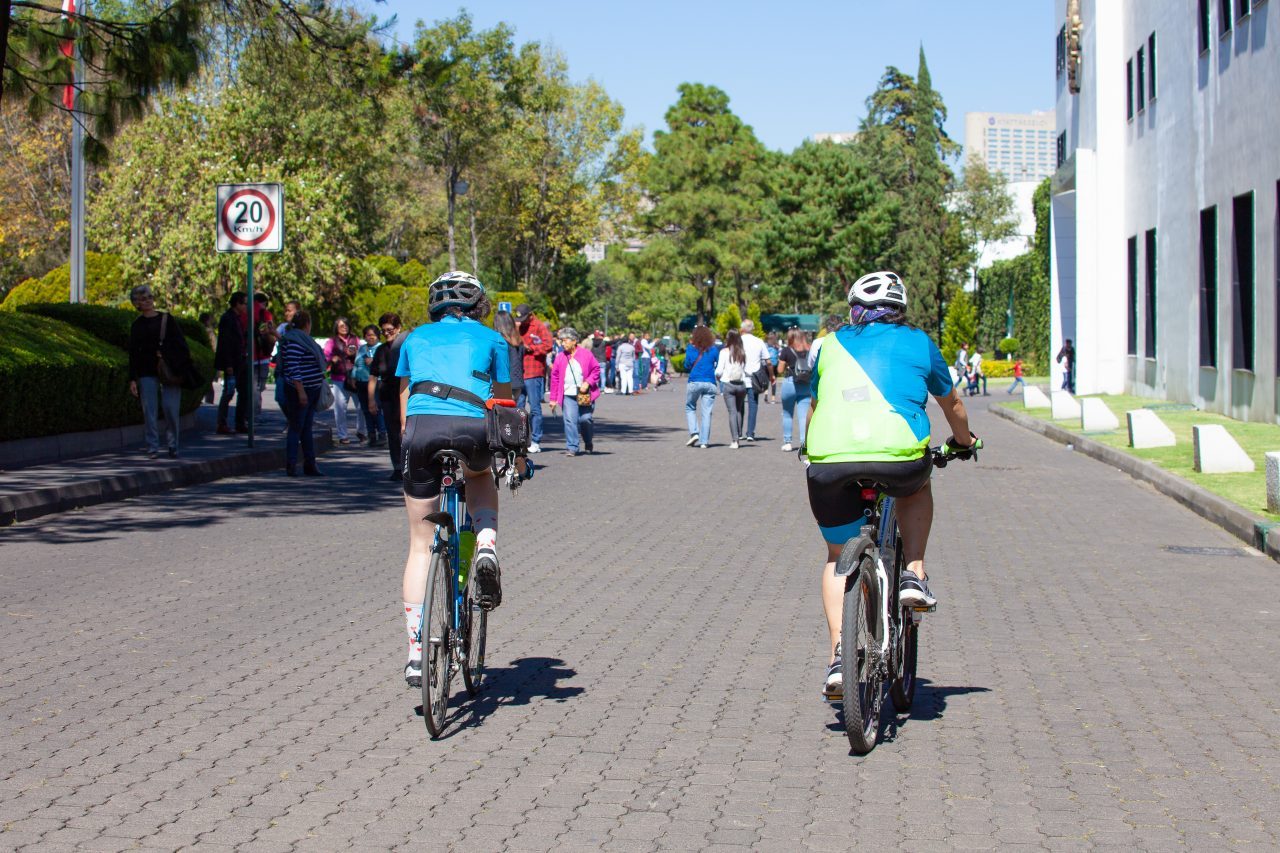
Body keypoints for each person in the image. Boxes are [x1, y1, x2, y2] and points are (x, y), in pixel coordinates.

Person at [804, 271, 977, 700]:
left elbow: (816, 405)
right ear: (900, 310)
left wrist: (810, 448)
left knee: (836, 556)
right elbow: (952, 403)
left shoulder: (828, 345)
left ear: (854, 310)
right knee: (917, 484)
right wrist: (963, 441)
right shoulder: (919, 342)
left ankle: (839, 659)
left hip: (829, 462)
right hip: (899, 460)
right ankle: (913, 573)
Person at [397, 271, 514, 688]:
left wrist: (409, 447)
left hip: (421, 431)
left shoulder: (413, 338)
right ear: (478, 305)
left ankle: (416, 655)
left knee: (419, 544)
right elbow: (504, 402)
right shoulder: (493, 339)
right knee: (480, 475)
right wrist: (515, 458)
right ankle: (486, 546)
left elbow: (405, 402)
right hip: (472, 429)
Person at [128, 285, 191, 459]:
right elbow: (133, 353)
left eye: (149, 297)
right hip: (146, 371)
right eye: (143, 299)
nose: (148, 301)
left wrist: (166, 353)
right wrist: (132, 378)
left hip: (169, 369)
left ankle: (173, 444)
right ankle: (152, 446)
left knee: (171, 408)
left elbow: (181, 345)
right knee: (149, 411)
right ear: (137, 304)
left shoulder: (166, 319)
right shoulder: (137, 325)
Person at [278, 310, 326, 477]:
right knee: (296, 427)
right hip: (300, 391)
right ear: (307, 324)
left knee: (306, 427)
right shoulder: (294, 341)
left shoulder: (303, 340)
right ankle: (291, 463)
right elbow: (293, 367)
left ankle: (310, 463)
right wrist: (301, 391)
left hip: (312, 389)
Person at [549, 327, 601, 456]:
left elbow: (596, 370)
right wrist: (553, 399)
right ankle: (572, 447)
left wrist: (588, 382)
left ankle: (588, 441)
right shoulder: (560, 357)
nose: (563, 343)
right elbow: (555, 378)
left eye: (565, 340)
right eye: (561, 341)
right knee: (569, 420)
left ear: (574, 341)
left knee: (586, 419)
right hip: (567, 394)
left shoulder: (586, 354)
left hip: (584, 393)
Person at [369, 313, 406, 481]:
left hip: (405, 395)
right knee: (392, 433)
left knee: (406, 432)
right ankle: (397, 466)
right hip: (387, 396)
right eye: (383, 331)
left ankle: (409, 466)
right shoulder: (381, 350)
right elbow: (373, 376)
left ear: (398, 328)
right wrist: (371, 399)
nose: (386, 333)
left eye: (390, 330)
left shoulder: (406, 347)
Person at [515, 303, 552, 453]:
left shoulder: (539, 326)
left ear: (530, 315)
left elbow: (548, 345)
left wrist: (531, 349)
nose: (522, 321)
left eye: (524, 318)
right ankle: (520, 439)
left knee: (535, 408)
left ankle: (536, 440)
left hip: (534, 372)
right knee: (519, 408)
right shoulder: (518, 326)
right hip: (519, 373)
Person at [213, 292, 249, 435]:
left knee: (244, 392)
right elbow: (225, 343)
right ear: (237, 304)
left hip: (240, 360)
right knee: (228, 392)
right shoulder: (228, 319)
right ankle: (221, 423)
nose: (246, 306)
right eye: (244, 303)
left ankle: (240, 422)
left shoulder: (237, 319)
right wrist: (228, 365)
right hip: (232, 362)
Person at [324, 318, 360, 445]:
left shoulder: (355, 339)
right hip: (339, 378)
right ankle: (342, 435)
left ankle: (362, 432)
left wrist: (355, 354)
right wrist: (332, 358)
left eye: (346, 325)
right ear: (336, 328)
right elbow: (325, 355)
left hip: (355, 377)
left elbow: (363, 353)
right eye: (341, 325)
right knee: (340, 408)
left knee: (361, 407)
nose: (344, 327)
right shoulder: (332, 341)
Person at [683, 325, 719, 448]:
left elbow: (687, 365)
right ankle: (704, 442)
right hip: (710, 382)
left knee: (690, 407)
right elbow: (718, 364)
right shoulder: (713, 349)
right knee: (707, 412)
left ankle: (694, 433)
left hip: (694, 381)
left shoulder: (691, 348)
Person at [778, 328, 812, 452]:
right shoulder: (809, 350)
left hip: (790, 383)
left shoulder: (786, 351)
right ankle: (804, 443)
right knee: (803, 416)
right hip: (805, 384)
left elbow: (780, 370)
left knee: (787, 414)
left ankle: (788, 442)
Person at [715, 330, 749, 449]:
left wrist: (718, 376)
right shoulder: (743, 352)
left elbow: (719, 370)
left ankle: (735, 440)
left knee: (732, 412)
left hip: (728, 384)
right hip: (741, 385)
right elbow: (746, 370)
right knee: (739, 410)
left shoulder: (724, 352)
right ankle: (739, 434)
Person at [739, 319, 771, 441]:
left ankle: (738, 432)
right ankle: (750, 433)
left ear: (742, 328)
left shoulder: (738, 341)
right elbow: (768, 361)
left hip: (739, 377)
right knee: (753, 405)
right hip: (755, 379)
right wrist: (772, 375)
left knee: (739, 405)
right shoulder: (759, 341)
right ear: (752, 328)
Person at [353, 324, 384, 446]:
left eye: (373, 335)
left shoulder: (380, 348)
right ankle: (371, 435)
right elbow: (357, 364)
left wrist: (373, 361)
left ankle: (382, 434)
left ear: (378, 336)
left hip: (376, 382)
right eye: (367, 335)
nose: (370, 337)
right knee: (365, 410)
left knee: (376, 409)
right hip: (361, 382)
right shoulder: (362, 348)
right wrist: (353, 377)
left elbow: (384, 365)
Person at [495, 309, 526, 420]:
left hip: (504, 383)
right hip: (517, 382)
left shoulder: (499, 341)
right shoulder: (518, 340)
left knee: (502, 417)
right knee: (511, 414)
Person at [764, 332, 780, 403]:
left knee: (767, 379)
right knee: (773, 379)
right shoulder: (776, 345)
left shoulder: (765, 345)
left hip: (767, 364)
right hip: (775, 364)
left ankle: (766, 394)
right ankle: (773, 398)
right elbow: (779, 354)